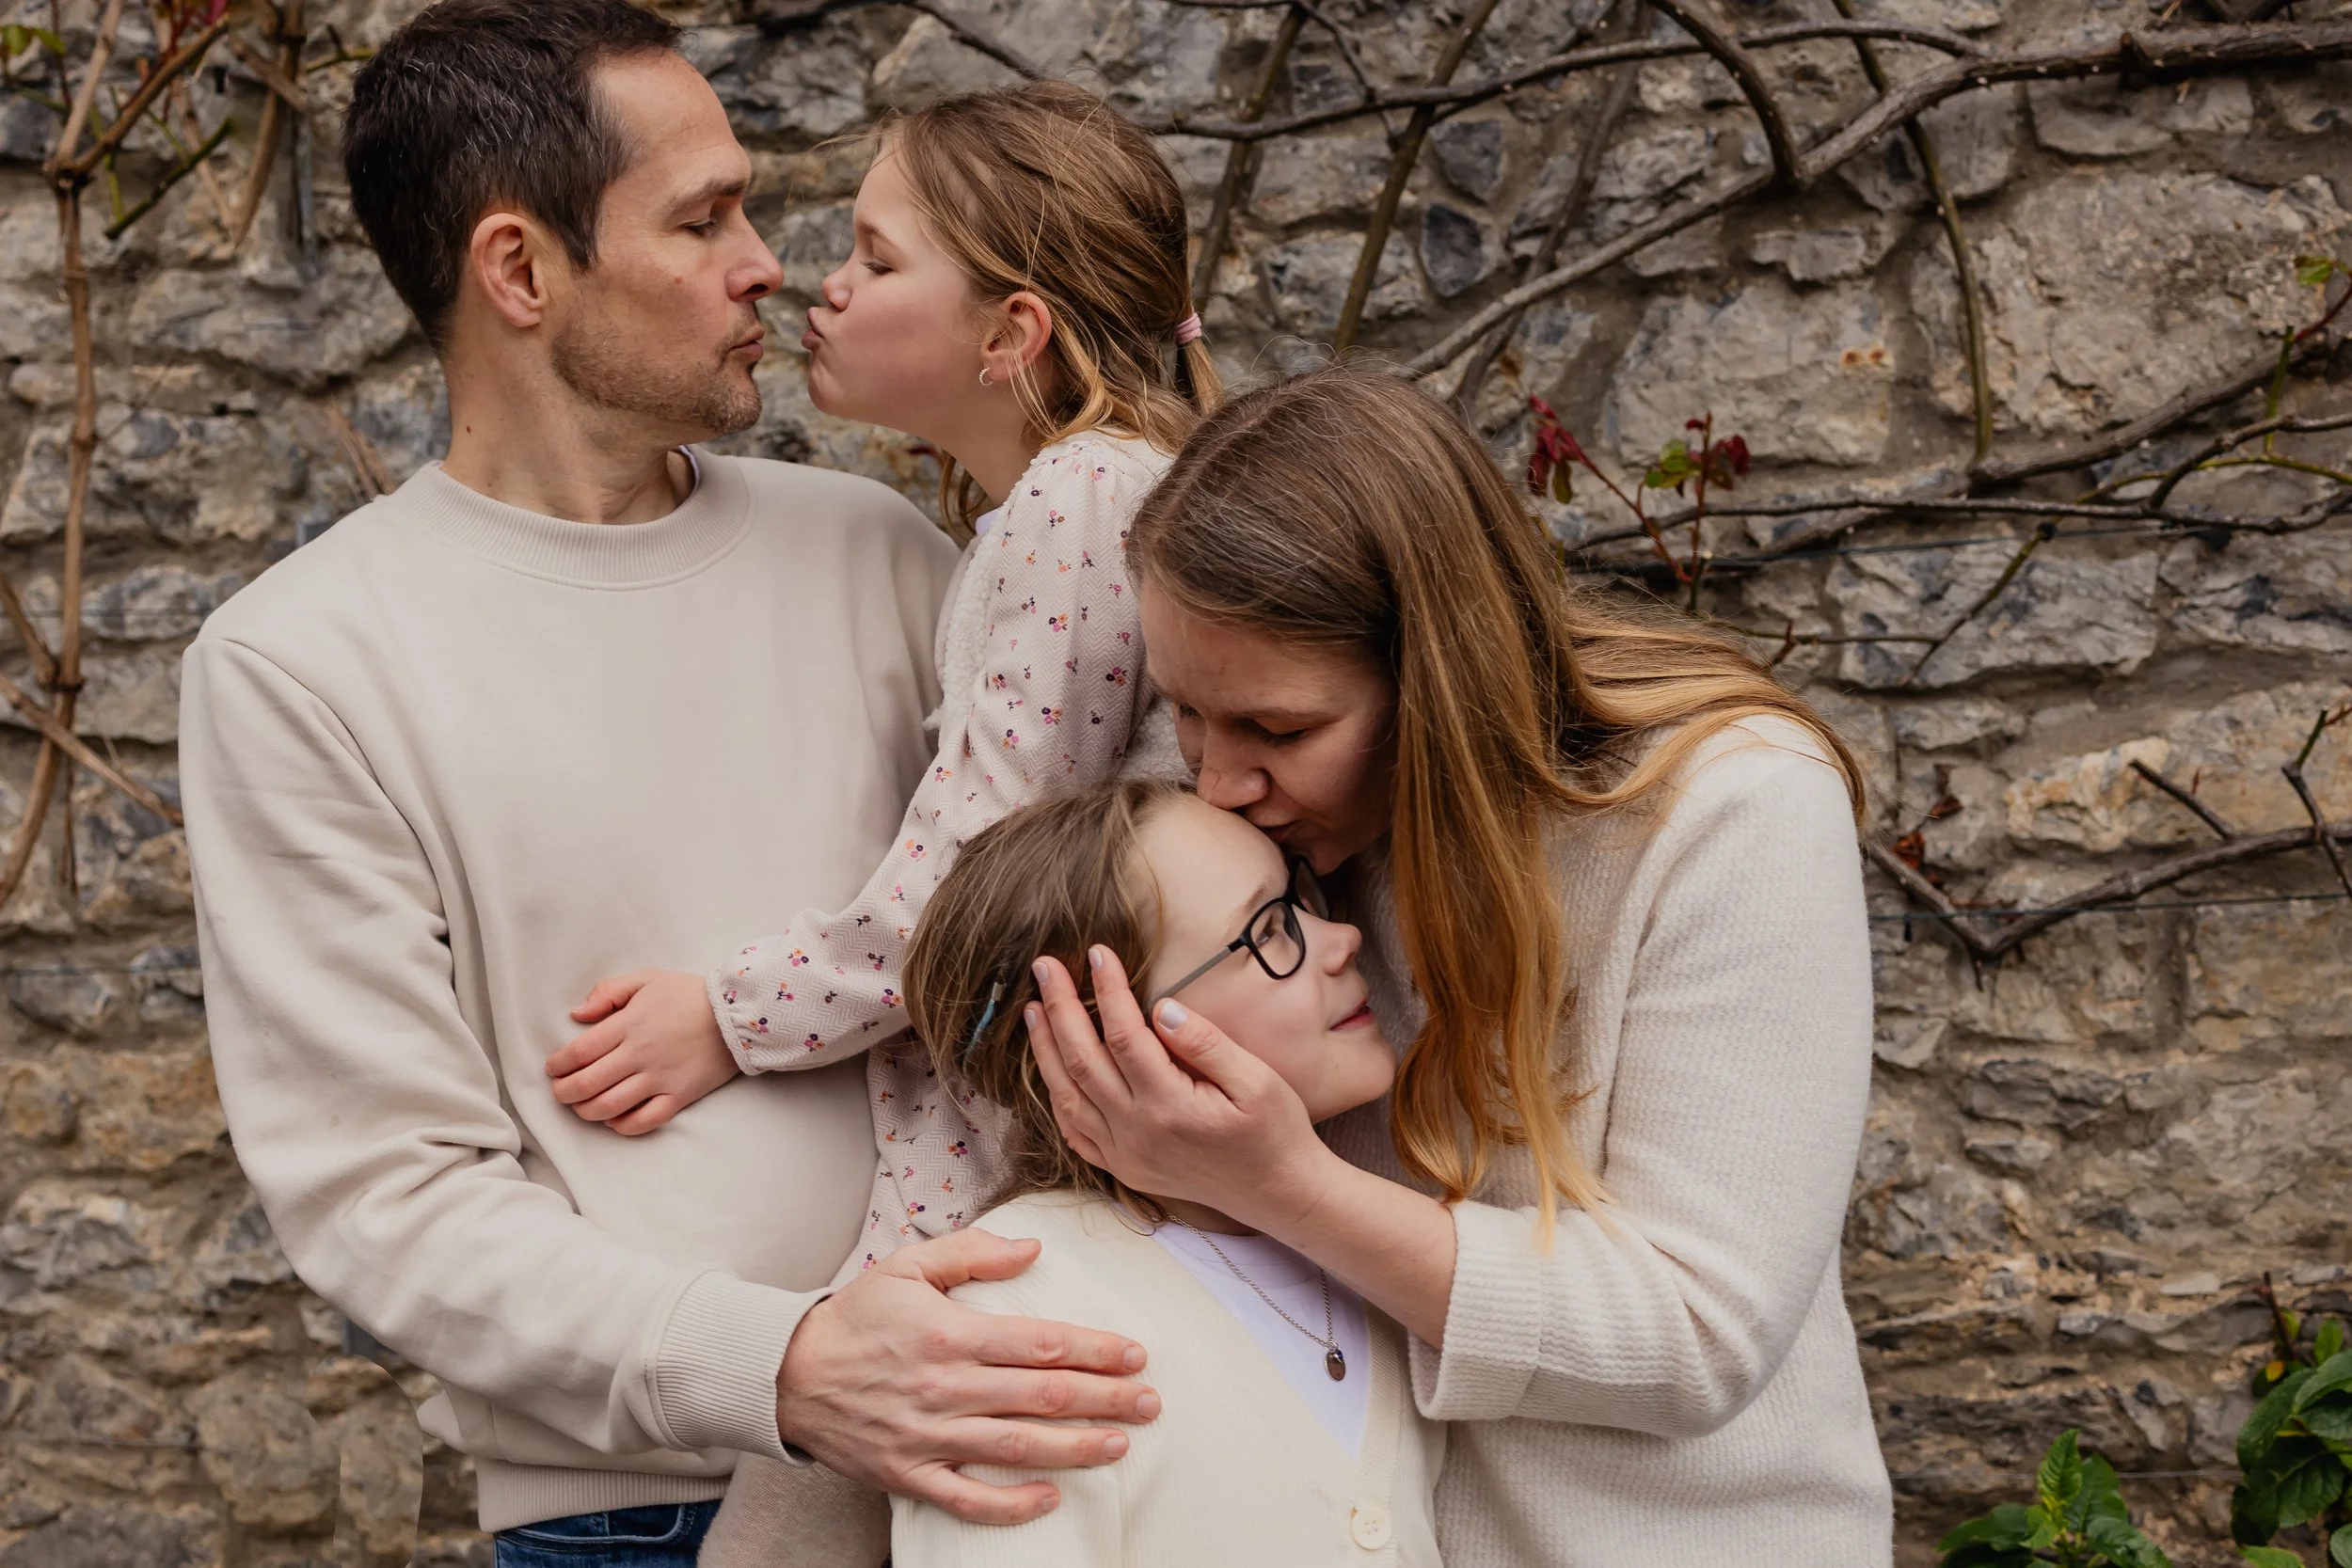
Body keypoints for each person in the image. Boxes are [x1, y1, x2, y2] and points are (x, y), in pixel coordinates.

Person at [179, 7, 1156, 1563]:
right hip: (643, 1513)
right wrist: (789, 1365)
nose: (766, 261)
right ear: (519, 271)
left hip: (1026, 1447)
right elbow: (389, 1199)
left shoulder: (882, 551)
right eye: (703, 221)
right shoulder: (300, 663)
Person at [1023, 367, 1898, 1565]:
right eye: (1187, 712)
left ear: (1439, 677)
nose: (1218, 780)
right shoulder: (1259, 835)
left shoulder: (1730, 809)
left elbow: (1698, 1337)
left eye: (1278, 729)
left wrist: (1286, 1184)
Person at [540, 81, 1220, 1266]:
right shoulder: (1086, 495)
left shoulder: (1078, 500)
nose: (825, 285)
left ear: (1011, 334)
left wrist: (730, 1014)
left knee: (828, 1425)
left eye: (877, 259)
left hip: (1033, 1146)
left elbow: (981, 870)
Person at [888, 779, 1444, 1567]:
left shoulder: (1379, 1254)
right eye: (1269, 928)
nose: (1341, 937)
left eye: (1303, 895)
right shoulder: (1021, 1314)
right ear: (1099, 1041)